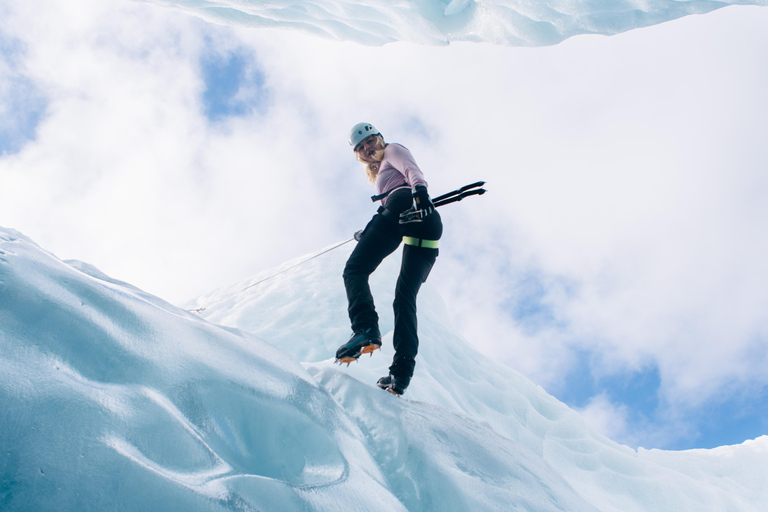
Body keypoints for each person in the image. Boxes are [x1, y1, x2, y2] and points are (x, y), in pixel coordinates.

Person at [335, 122, 443, 396]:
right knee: (404, 299)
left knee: (354, 270)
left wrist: (420, 192)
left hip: (408, 203)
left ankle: (365, 328)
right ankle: (401, 373)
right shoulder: (382, 172)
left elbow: (412, 172)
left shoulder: (394, 150)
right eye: (360, 148)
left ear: (380, 139)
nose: (367, 149)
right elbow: (389, 211)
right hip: (425, 228)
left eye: (369, 142)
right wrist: (370, 231)